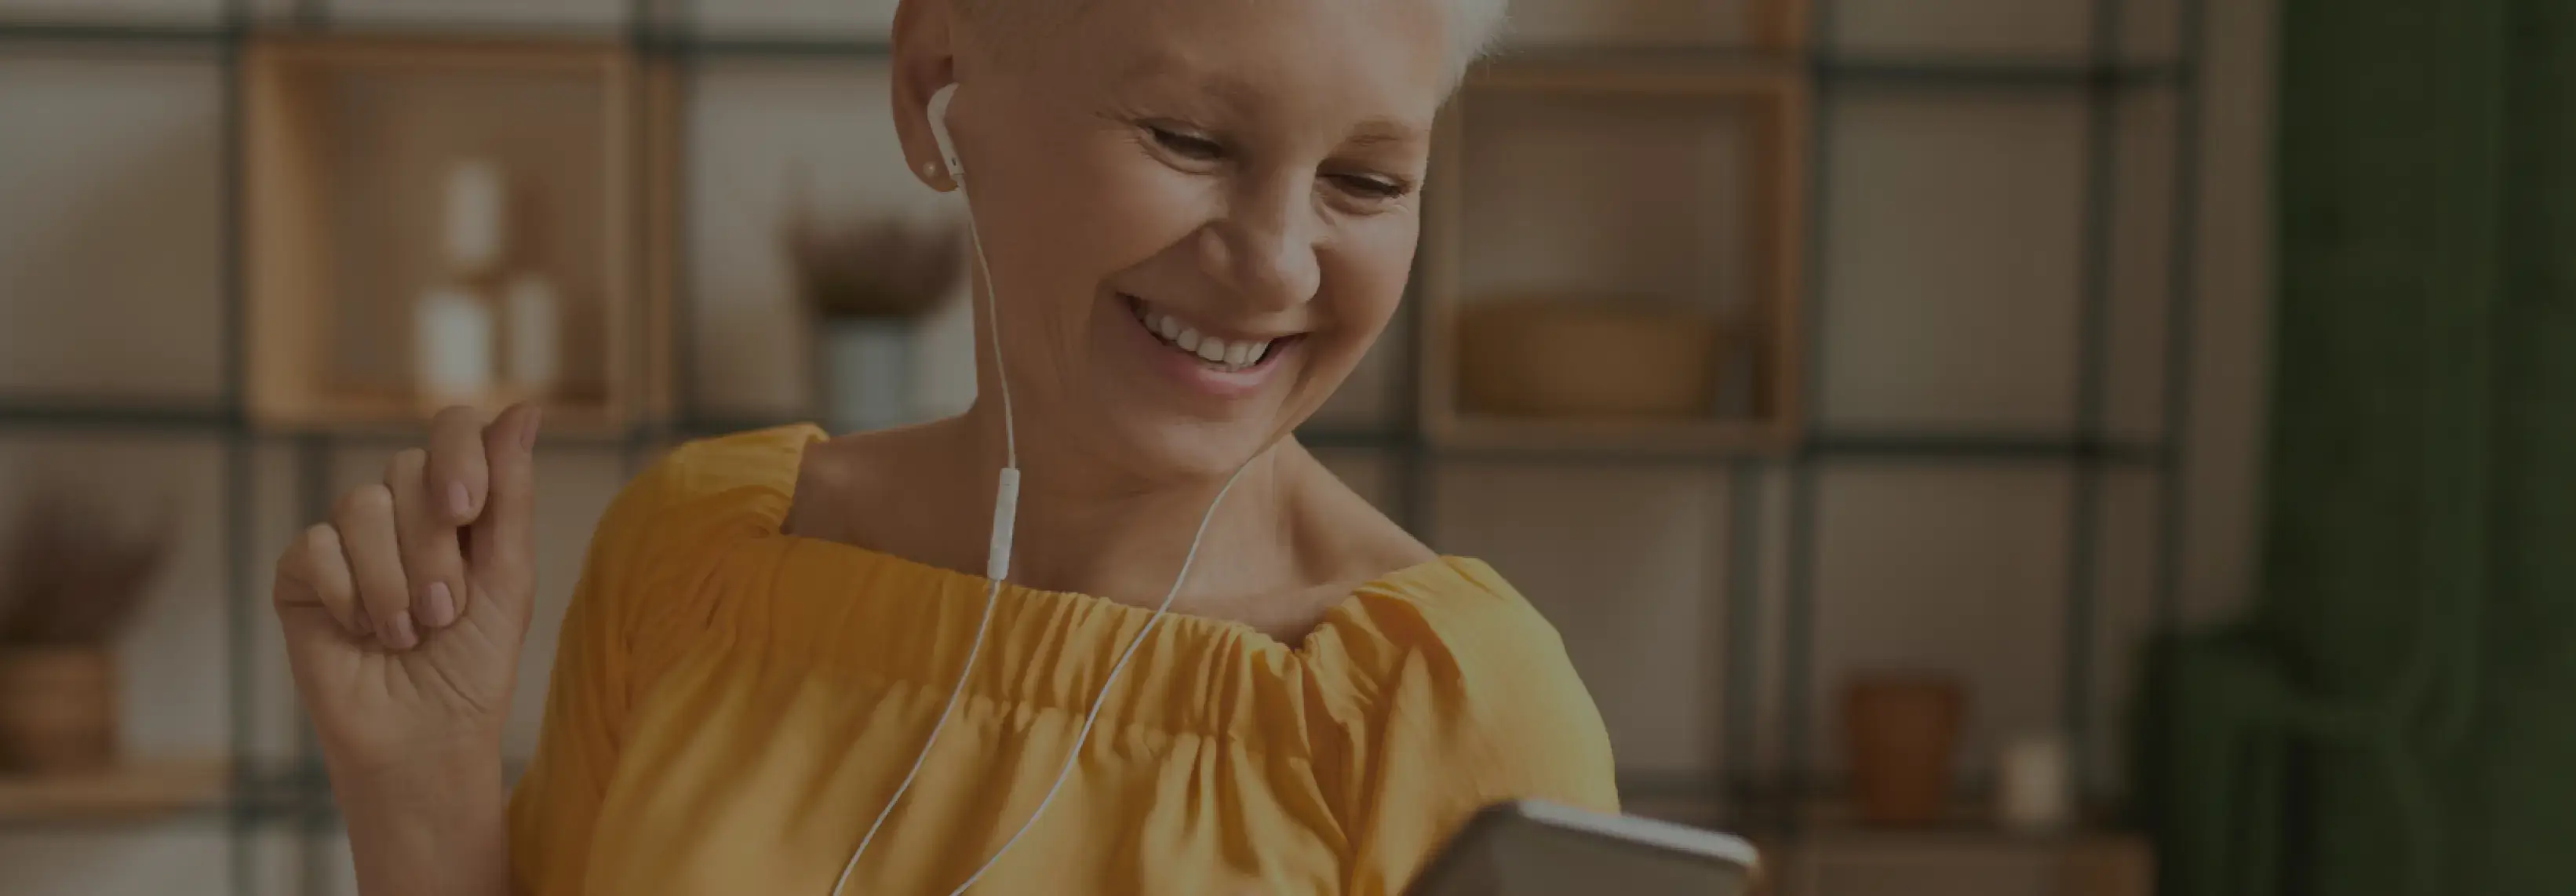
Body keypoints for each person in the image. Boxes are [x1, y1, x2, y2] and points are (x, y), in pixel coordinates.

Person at [264, 0, 1619, 892]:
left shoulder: (1448, 713)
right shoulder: (700, 563)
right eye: (1192, 138)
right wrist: (423, 792)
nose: (1276, 267)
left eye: (1366, 180)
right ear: (938, 81)